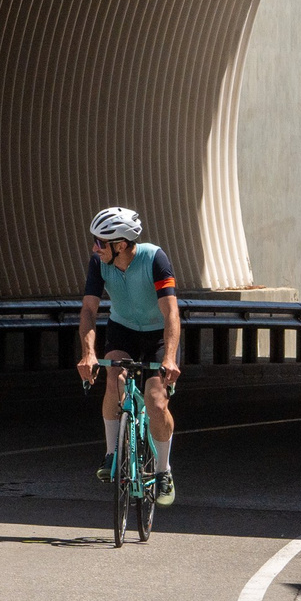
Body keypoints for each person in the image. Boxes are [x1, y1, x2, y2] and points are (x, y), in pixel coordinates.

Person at [75, 205, 180, 507]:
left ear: (120, 245)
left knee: (156, 399)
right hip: (122, 328)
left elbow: (171, 312)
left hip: (157, 333)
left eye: (100, 242)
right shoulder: (99, 263)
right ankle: (111, 453)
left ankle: (162, 471)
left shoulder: (154, 259)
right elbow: (89, 310)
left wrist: (170, 357)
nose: (95, 248)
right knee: (114, 378)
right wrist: (88, 354)